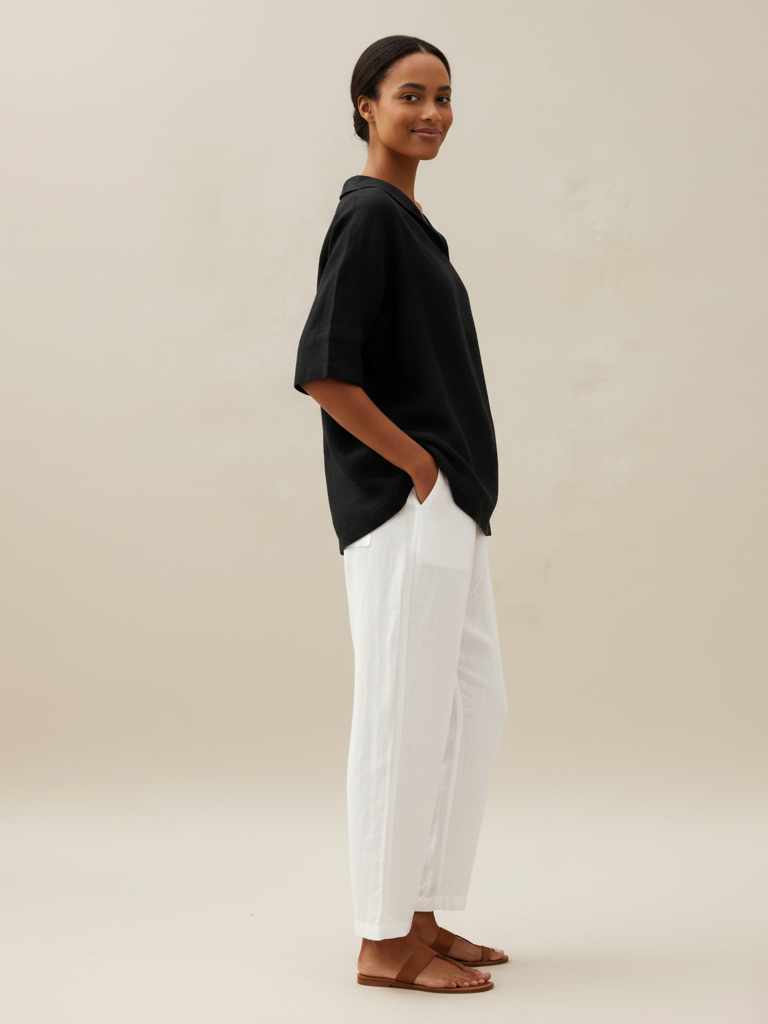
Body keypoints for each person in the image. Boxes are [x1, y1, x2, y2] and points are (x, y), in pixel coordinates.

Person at [293, 35, 509, 994]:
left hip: (450, 502)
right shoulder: (371, 215)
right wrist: (416, 465)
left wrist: (446, 480)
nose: (432, 113)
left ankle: (421, 911)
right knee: (400, 712)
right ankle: (382, 942)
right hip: (406, 504)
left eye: (444, 96)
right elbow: (324, 370)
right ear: (365, 107)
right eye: (410, 95)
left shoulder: (410, 222)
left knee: (469, 705)